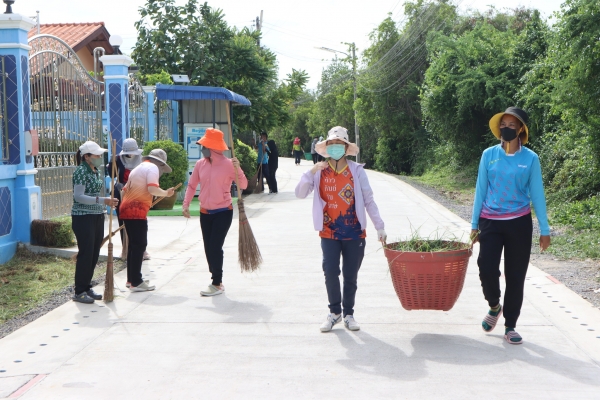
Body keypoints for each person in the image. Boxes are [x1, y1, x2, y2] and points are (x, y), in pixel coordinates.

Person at [471, 107, 551, 345]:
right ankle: (494, 305)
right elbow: (480, 190)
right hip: (490, 221)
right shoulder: (489, 155)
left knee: (516, 275)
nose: (506, 129)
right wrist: (474, 225)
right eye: (503, 125)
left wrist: (544, 230)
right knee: (486, 268)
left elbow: (537, 194)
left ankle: (510, 325)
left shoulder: (530, 159)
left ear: (521, 130)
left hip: (519, 223)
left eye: (512, 125)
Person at [295, 126, 386, 332]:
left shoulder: (357, 171)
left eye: (339, 144)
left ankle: (349, 314)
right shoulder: (320, 172)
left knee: (350, 275)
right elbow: (300, 193)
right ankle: (334, 312)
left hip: (355, 233)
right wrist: (310, 172)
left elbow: (369, 200)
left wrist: (379, 226)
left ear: (346, 148)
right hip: (329, 232)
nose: (335, 147)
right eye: (332, 144)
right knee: (330, 271)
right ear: (326, 147)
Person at [183, 128, 248, 296]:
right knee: (208, 247)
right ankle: (215, 275)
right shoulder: (200, 164)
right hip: (205, 212)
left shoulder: (229, 164)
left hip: (223, 212)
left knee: (215, 246)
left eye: (204, 146)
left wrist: (238, 169)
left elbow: (243, 185)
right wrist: (186, 204)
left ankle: (217, 283)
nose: (202, 148)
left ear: (212, 147)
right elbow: (192, 185)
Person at [119, 149, 175, 292]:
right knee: (140, 245)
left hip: (126, 209)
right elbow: (152, 189)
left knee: (133, 246)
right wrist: (166, 193)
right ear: (160, 163)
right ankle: (136, 282)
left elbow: (123, 191)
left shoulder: (138, 168)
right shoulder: (152, 168)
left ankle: (131, 279)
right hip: (136, 211)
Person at [71, 141, 119, 304]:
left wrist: (106, 201)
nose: (99, 157)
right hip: (83, 216)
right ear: (87, 157)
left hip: (97, 215)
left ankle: (86, 287)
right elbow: (79, 197)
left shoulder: (95, 170)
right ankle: (79, 291)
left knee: (94, 253)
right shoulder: (80, 171)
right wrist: (102, 200)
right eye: (97, 155)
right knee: (86, 253)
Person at [112, 138, 150, 262]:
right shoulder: (118, 160)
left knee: (140, 221)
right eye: (128, 153)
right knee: (123, 222)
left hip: (138, 193)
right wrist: (112, 164)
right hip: (122, 192)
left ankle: (142, 249)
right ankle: (126, 249)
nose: (130, 155)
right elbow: (113, 174)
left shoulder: (142, 161)